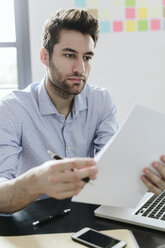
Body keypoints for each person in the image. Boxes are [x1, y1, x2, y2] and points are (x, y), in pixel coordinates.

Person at [0, 9, 118, 213]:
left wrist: (142, 178)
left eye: (87, 57)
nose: (80, 68)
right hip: (32, 222)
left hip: (90, 215)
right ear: (45, 57)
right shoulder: (12, 109)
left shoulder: (101, 101)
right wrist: (36, 181)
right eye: (69, 55)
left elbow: (113, 170)